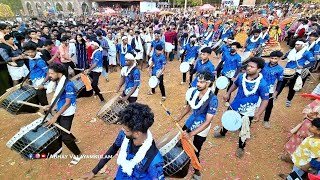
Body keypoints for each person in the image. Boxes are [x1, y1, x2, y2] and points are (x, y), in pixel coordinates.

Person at [81, 103, 164, 180]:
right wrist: (94, 171)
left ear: (137, 133)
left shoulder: (154, 161)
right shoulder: (124, 135)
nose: (123, 131)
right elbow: (114, 148)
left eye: (126, 130)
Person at [214, 57, 269, 158]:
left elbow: (265, 100)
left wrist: (259, 113)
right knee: (228, 120)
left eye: (252, 67)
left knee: (244, 129)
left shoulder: (263, 84)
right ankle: (222, 133)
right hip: (234, 105)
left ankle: (241, 146)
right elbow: (235, 84)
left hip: (248, 112)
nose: (248, 68)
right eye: (248, 65)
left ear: (259, 69)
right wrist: (228, 93)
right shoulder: (241, 77)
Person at [177, 71, 218, 180]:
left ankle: (196, 170)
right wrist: (180, 117)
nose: (198, 84)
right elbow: (189, 107)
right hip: (191, 121)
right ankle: (182, 162)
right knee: (181, 141)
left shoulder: (213, 99)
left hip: (202, 127)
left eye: (201, 82)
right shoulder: (194, 92)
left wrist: (191, 134)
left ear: (208, 83)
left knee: (196, 149)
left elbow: (207, 122)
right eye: (198, 81)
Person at [44, 63, 82, 166]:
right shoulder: (58, 81)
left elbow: (68, 102)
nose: (49, 75)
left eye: (51, 73)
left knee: (64, 136)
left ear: (59, 73)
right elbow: (60, 98)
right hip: (61, 108)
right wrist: (50, 106)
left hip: (68, 111)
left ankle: (78, 154)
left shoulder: (68, 84)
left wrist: (55, 116)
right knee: (61, 128)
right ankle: (74, 139)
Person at [278, 39, 315, 107]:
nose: (296, 46)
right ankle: (276, 95)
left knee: (292, 86)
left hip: (297, 71)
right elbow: (285, 55)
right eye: (295, 44)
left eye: (298, 44)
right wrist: (282, 57)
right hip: (287, 69)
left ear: (302, 45)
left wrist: (303, 66)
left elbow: (313, 62)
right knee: (281, 83)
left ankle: (289, 100)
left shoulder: (307, 53)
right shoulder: (292, 51)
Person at [260, 50, 284, 129]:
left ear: (279, 59)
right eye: (272, 58)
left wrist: (276, 92)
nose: (273, 60)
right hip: (259, 87)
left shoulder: (280, 69)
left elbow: (280, 82)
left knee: (269, 105)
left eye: (275, 59)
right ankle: (252, 116)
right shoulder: (264, 65)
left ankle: (266, 120)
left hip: (269, 90)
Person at [23, 42, 49, 108]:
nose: (30, 54)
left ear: (36, 51)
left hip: (41, 83)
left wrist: (42, 83)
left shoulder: (40, 61)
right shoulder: (30, 59)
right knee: (40, 99)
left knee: (43, 100)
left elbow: (48, 73)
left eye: (32, 52)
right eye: (28, 52)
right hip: (35, 82)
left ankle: (48, 114)